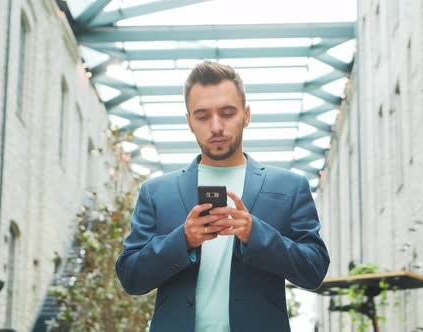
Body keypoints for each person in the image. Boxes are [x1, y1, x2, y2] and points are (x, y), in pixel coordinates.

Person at [115, 61, 330, 332]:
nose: (216, 126)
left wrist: (257, 234)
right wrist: (183, 240)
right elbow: (131, 277)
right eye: (203, 116)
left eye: (227, 113)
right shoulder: (156, 192)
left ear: (247, 115)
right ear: (189, 122)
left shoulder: (290, 186)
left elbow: (314, 270)